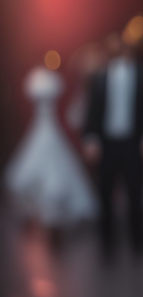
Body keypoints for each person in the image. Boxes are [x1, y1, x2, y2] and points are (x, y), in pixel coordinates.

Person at [82, 32, 143, 259]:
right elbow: (93, 110)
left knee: (135, 192)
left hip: (133, 142)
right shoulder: (100, 76)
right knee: (105, 193)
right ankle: (107, 245)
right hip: (107, 143)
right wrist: (91, 138)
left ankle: (137, 243)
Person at [4, 64, 99, 233]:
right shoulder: (45, 80)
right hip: (42, 123)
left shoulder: (40, 80)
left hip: (47, 123)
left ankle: (50, 208)